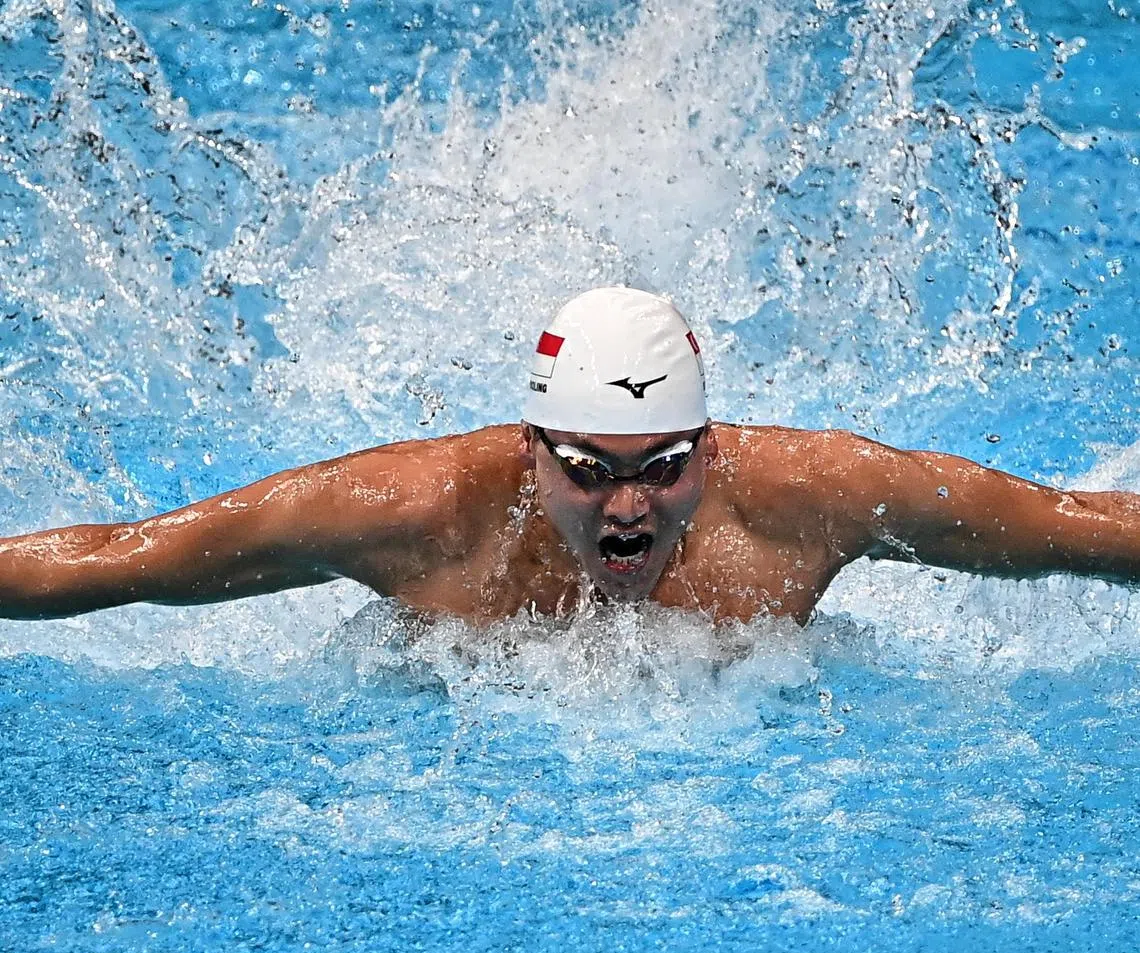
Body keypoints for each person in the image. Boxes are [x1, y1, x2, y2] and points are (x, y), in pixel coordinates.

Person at [1, 286, 1139, 627]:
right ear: (533, 450)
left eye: (664, 465)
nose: (629, 506)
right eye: (590, 470)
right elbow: (122, 557)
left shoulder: (812, 495)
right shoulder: (419, 513)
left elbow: (1078, 528)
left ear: (711, 444)